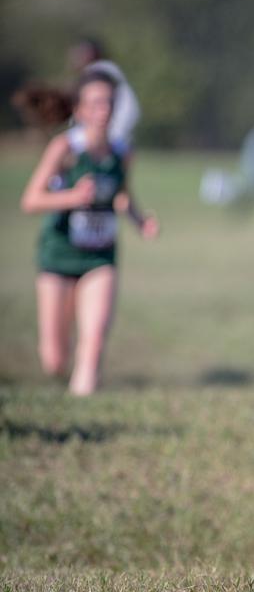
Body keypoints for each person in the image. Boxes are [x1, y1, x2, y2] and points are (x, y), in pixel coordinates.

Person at [20, 69, 159, 395]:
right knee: (54, 361)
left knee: (93, 338)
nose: (104, 111)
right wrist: (71, 197)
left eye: (109, 103)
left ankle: (84, 405)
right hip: (58, 254)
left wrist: (140, 220)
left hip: (100, 255)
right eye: (96, 104)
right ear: (80, 110)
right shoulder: (65, 148)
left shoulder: (122, 152)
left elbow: (122, 194)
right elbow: (30, 201)